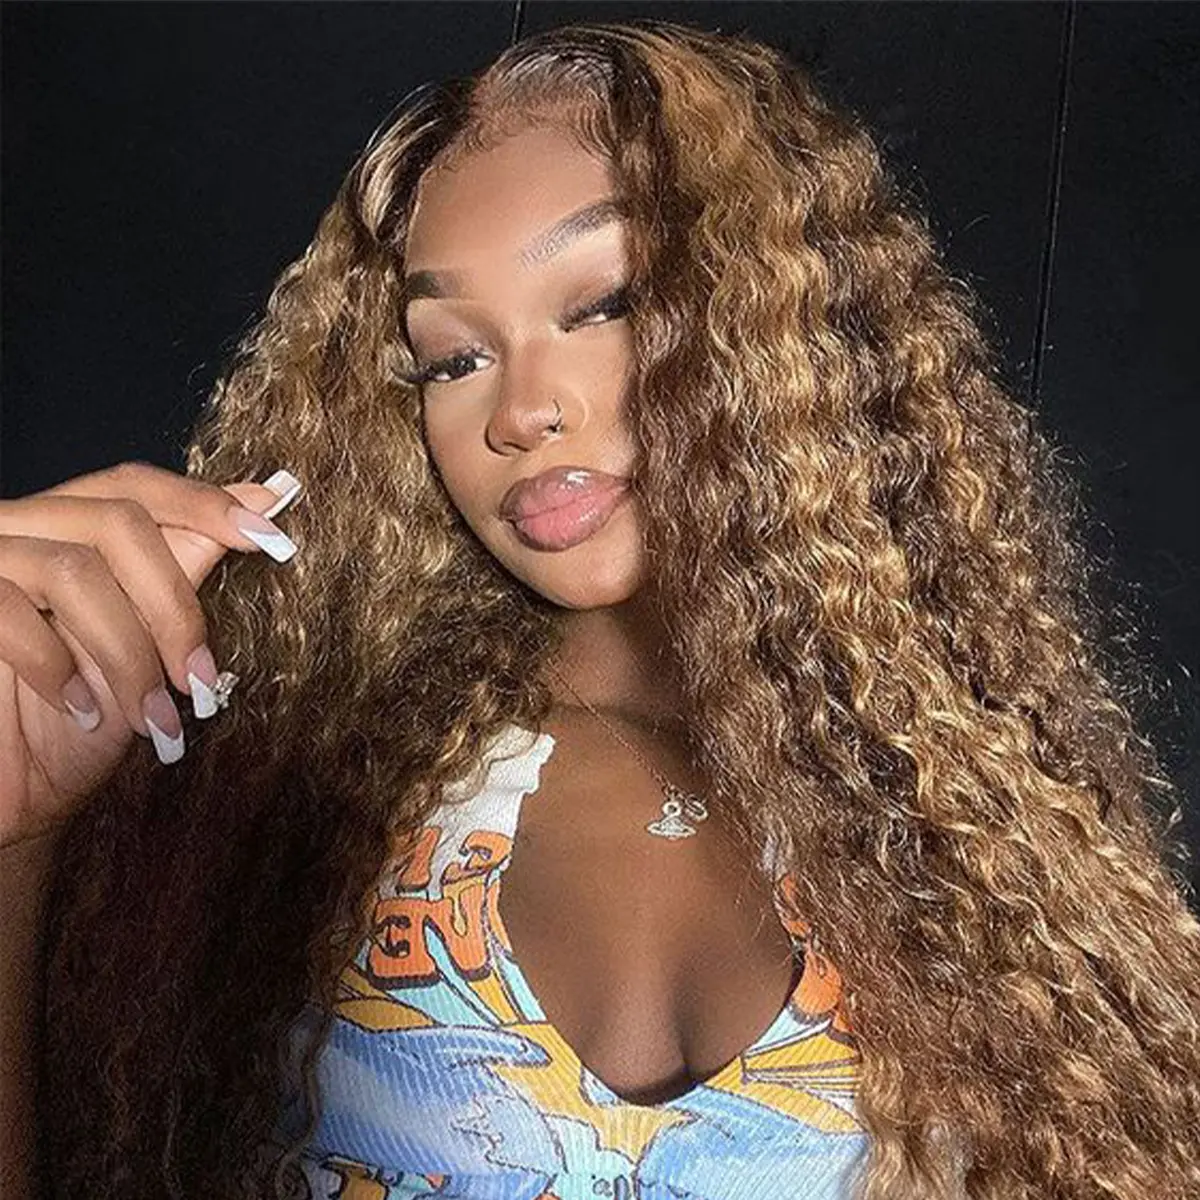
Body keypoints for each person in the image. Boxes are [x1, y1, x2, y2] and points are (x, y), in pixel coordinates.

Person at [1, 18, 1197, 1200]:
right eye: (454, 358)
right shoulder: (289, 796)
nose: (521, 410)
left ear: (783, 326)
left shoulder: (982, 831)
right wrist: (15, 843)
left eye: (604, 302)